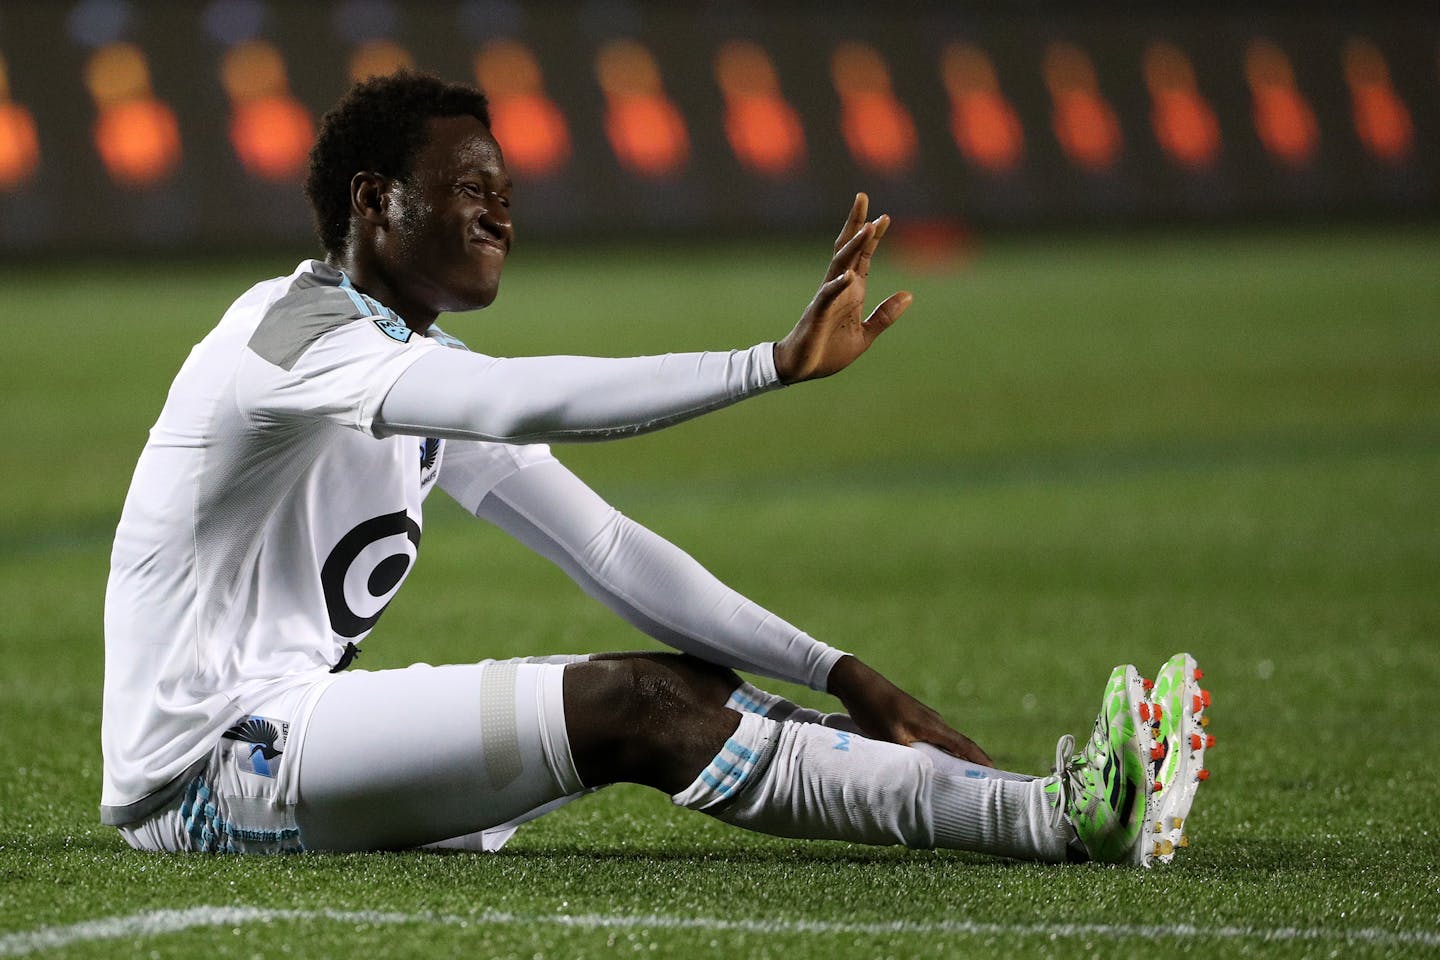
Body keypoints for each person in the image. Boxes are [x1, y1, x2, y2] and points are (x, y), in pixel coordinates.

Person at [101, 72, 1211, 865]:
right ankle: (1061, 824)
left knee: (699, 687)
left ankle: (1057, 802)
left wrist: (835, 668)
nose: (500, 212)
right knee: (636, 701)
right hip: (205, 771)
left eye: (509, 194)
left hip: (289, 739)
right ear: (370, 200)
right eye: (469, 186)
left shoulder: (414, 360)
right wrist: (766, 364)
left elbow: (606, 548)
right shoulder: (288, 337)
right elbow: (521, 401)